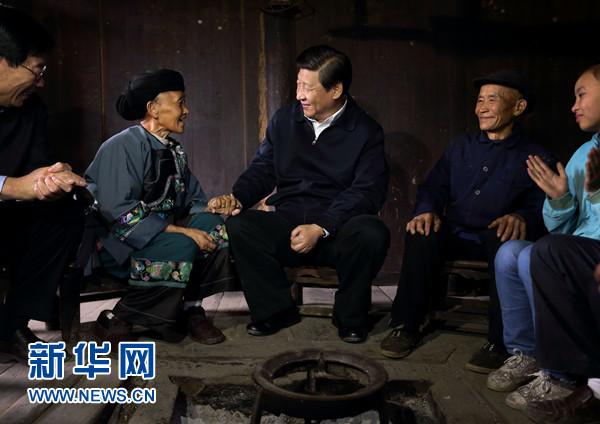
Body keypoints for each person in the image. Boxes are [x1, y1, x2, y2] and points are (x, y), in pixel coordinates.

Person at [208, 45, 390, 343]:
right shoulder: (285, 120)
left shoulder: (366, 131)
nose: (300, 95)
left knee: (372, 232)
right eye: (298, 85)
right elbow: (263, 169)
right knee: (241, 226)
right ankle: (275, 311)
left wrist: (321, 227)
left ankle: (351, 318)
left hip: (337, 229)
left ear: (335, 90)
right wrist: (238, 197)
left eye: (308, 87)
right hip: (290, 224)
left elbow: (367, 192)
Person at [380, 70, 553, 372]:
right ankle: (406, 325)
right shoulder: (460, 146)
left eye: (491, 100)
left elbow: (543, 204)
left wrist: (521, 217)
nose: (481, 108)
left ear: (518, 107)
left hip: (494, 236)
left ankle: (499, 343)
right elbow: (434, 187)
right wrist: (426, 210)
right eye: (479, 100)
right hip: (457, 231)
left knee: (506, 241)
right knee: (422, 232)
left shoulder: (535, 156)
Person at [85, 69, 237, 346]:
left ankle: (191, 310)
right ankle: (117, 318)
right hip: (121, 245)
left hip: (162, 237)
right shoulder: (121, 146)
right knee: (184, 243)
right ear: (153, 109)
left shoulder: (174, 150)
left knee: (213, 228)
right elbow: (117, 210)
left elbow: (191, 203)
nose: (186, 110)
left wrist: (214, 207)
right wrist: (181, 231)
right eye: (180, 102)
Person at [486, 64, 600, 415]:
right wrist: (559, 199)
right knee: (511, 253)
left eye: (581, 95)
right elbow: (561, 230)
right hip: (577, 247)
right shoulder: (585, 153)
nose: (574, 105)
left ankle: (560, 373)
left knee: (545, 252)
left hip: (590, 252)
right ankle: (527, 354)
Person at [0, 6, 86, 362]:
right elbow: (17, 185)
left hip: (8, 216)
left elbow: (37, 167)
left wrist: (52, 178)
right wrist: (12, 186)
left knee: (65, 213)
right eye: (37, 70)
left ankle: (11, 325)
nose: (41, 82)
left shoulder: (31, 108)